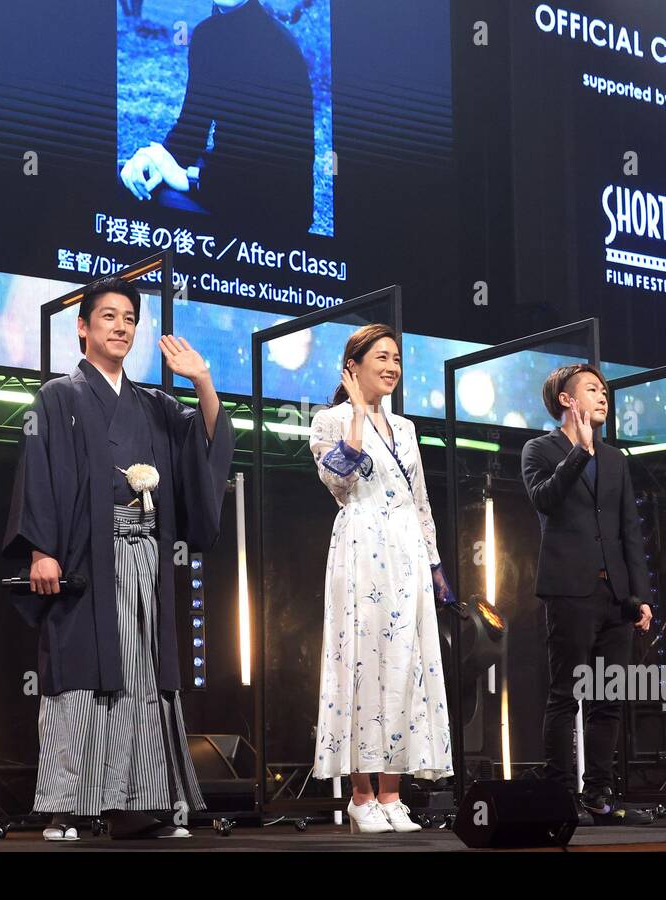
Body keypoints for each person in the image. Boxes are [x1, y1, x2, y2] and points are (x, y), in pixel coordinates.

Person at [4, 278, 233, 839]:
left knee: (144, 678)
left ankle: (141, 806)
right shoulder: (58, 396)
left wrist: (202, 381)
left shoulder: (156, 404)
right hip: (86, 561)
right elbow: (39, 470)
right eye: (107, 316)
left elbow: (205, 447)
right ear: (82, 326)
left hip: (145, 562)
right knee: (81, 676)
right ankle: (69, 807)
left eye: (129, 318)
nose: (120, 326)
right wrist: (41, 550)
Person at [309, 324, 453, 833]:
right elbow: (338, 479)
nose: (391, 367)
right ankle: (361, 794)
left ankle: (393, 794)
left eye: (396, 358)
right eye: (381, 357)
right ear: (354, 365)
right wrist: (353, 414)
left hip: (407, 550)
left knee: (406, 665)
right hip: (360, 548)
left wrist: (434, 562)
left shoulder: (407, 428)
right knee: (362, 663)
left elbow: (420, 501)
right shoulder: (328, 420)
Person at [521, 363, 653, 826]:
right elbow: (545, 499)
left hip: (615, 596)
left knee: (607, 699)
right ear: (566, 399)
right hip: (569, 592)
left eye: (605, 390)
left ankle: (598, 794)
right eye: (593, 390)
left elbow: (628, 530)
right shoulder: (539, 448)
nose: (603, 397)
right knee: (565, 696)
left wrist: (640, 594)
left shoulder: (616, 458)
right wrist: (578, 451)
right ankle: (561, 795)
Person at [119, 0, 314, 233]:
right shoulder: (206, 35)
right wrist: (153, 158)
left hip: (269, 216)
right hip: (219, 188)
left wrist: (192, 178)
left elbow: (282, 172)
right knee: (129, 179)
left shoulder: (280, 47)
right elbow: (191, 129)